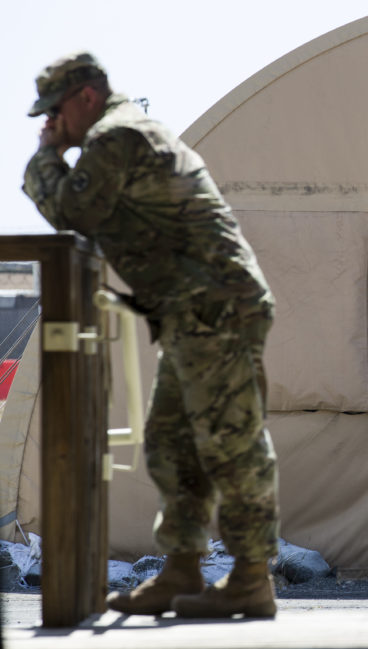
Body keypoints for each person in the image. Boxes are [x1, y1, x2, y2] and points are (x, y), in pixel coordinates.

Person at [22, 52, 280, 619]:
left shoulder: (116, 138)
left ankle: (251, 579)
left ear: (86, 98)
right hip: (195, 310)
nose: (52, 122)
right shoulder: (128, 133)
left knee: (230, 443)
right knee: (172, 442)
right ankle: (182, 570)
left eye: (57, 110)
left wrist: (46, 155)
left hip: (215, 307)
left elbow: (70, 209)